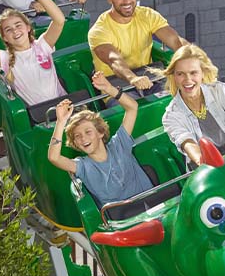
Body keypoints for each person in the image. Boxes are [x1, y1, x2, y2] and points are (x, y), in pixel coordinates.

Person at [48, 72, 153, 206]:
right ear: (75, 143)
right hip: (123, 219)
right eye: (77, 136)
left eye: (88, 132)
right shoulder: (82, 166)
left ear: (101, 132)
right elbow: (54, 158)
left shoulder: (119, 144)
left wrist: (109, 89)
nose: (83, 138)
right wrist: (61, 122)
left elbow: (132, 107)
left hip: (151, 204)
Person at [88, 0, 187, 97]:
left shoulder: (147, 15)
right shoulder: (99, 31)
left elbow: (175, 41)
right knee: (136, 110)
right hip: (117, 87)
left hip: (151, 78)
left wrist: (192, 59)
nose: (127, 0)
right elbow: (114, 60)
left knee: (181, 95)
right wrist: (133, 78)